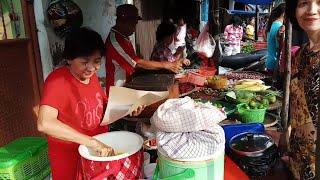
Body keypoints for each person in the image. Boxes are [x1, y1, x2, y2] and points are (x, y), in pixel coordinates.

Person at [37, 27, 145, 179]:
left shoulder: (92, 77)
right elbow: (45, 123)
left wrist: (129, 107)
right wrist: (92, 142)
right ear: (69, 58)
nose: (91, 68)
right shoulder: (57, 81)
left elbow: (102, 106)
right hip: (70, 158)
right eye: (84, 62)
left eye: (96, 61)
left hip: (97, 154)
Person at [105, 4, 182, 94]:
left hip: (127, 85)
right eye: (133, 24)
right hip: (117, 91)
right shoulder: (116, 42)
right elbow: (136, 63)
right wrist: (165, 65)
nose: (135, 28)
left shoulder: (124, 37)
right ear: (123, 21)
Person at [283, 0, 320, 179]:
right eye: (304, 2)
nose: (312, 10)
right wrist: (287, 132)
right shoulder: (301, 54)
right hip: (299, 160)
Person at [266, 3, 286, 73]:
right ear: (284, 14)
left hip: (271, 61)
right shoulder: (279, 26)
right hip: (275, 63)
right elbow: (279, 46)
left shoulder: (274, 23)